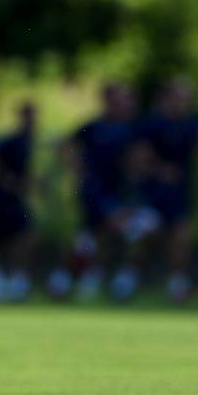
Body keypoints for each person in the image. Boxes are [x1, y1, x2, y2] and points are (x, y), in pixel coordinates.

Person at [47, 82, 139, 301]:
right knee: (111, 228)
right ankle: (84, 277)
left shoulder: (131, 128)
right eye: (118, 98)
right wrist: (76, 167)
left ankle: (65, 279)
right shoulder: (94, 126)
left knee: (92, 238)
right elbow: (66, 144)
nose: (123, 103)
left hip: (118, 191)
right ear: (107, 100)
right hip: (95, 190)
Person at [132, 78, 198, 303]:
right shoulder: (153, 124)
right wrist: (160, 169)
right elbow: (138, 157)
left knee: (181, 237)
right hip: (153, 193)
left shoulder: (192, 125)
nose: (182, 102)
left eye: (186, 98)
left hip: (180, 193)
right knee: (148, 235)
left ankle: (178, 284)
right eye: (178, 97)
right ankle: (129, 276)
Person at [0, 102, 38, 302]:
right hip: (3, 198)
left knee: (25, 238)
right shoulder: (11, 142)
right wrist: (6, 181)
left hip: (19, 199)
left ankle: (17, 281)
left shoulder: (32, 142)